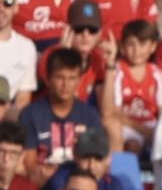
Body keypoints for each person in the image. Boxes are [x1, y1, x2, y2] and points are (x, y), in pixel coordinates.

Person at [19, 48, 104, 182]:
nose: (65, 85)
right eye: (59, 77)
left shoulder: (90, 115)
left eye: (72, 78)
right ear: (48, 79)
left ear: (79, 80)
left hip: (79, 182)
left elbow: (96, 161)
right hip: (45, 182)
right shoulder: (30, 114)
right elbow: (30, 163)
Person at [99, 17, 162, 153]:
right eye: (131, 44)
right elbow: (113, 112)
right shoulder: (118, 72)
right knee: (132, 146)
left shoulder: (157, 75)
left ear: (153, 46)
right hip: (126, 125)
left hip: (150, 125)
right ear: (123, 47)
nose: (136, 50)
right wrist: (143, 130)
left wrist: (160, 133)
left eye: (142, 44)